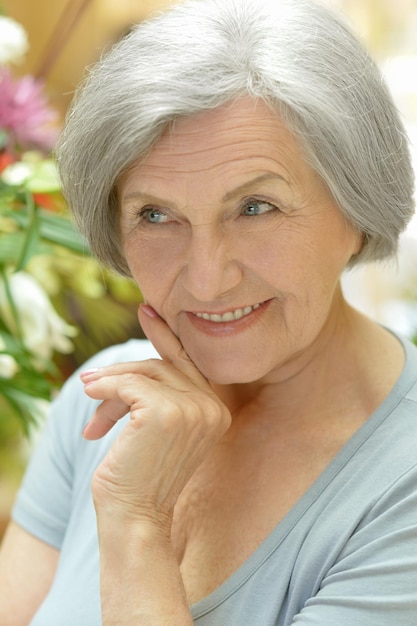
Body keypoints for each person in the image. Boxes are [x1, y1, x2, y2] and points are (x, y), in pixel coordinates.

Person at [0, 0, 416, 623]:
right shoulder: (102, 401)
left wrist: (136, 523)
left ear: (357, 211)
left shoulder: (400, 482)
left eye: (255, 207)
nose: (205, 278)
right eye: (156, 215)